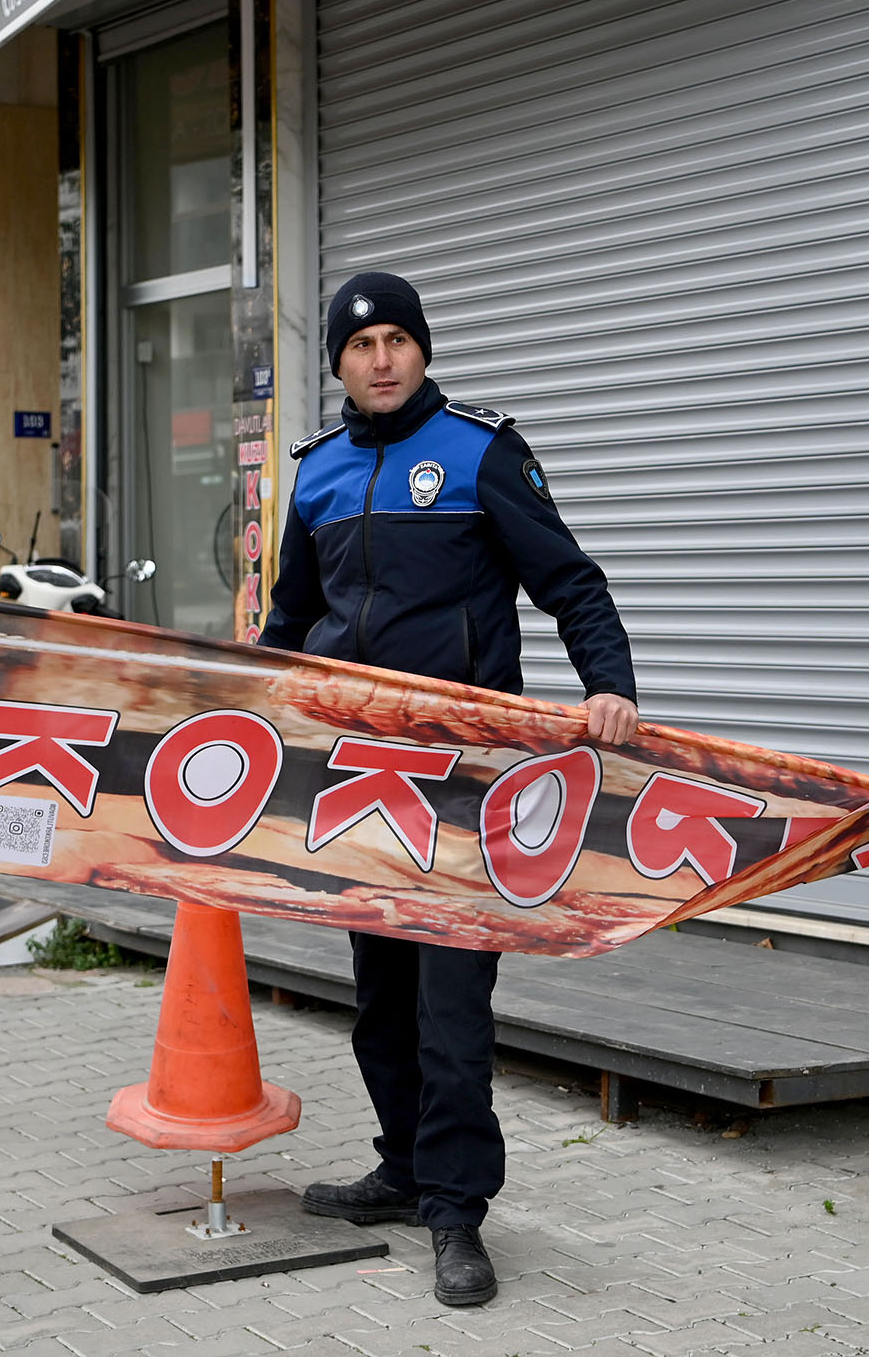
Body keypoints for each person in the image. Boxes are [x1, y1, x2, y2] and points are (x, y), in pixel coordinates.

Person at [260, 272, 638, 1308]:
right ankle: (402, 1167)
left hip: (466, 788)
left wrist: (609, 687)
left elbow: (570, 582)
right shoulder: (318, 473)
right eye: (360, 344)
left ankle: (456, 1214)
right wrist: (241, 715)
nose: (380, 358)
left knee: (450, 1006)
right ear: (335, 362)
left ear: (421, 350)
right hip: (359, 781)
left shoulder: (479, 453)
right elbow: (289, 626)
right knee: (377, 997)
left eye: (396, 339)